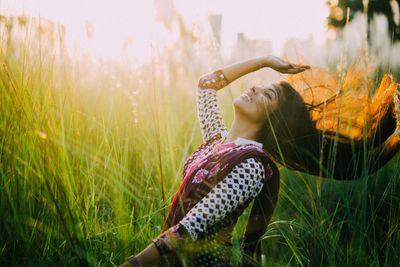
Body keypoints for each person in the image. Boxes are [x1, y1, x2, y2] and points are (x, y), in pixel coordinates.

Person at [119, 56, 400, 267]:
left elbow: (191, 228)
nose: (254, 88)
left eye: (268, 95)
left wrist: (133, 263)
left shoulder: (252, 166)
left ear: (272, 121)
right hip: (174, 256)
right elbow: (206, 86)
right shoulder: (217, 142)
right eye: (261, 86)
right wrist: (263, 61)